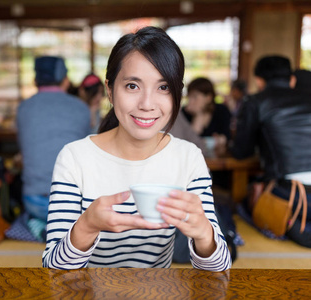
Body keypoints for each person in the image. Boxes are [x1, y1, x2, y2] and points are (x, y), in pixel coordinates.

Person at [42, 26, 231, 270]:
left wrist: (204, 234)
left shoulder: (188, 157)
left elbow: (220, 269)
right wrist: (87, 225)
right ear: (110, 90)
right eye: (132, 86)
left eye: (163, 87)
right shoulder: (75, 158)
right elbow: (53, 268)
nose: (147, 104)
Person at [231, 55, 311, 248]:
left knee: (240, 203)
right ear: (291, 78)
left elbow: (241, 152)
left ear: (259, 80)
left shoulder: (256, 102)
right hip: (303, 195)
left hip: (289, 193)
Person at [16, 56, 90, 239]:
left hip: (34, 200)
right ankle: (66, 231)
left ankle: (38, 225)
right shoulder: (81, 108)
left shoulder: (23, 108)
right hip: (73, 203)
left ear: (35, 81)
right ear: (65, 80)